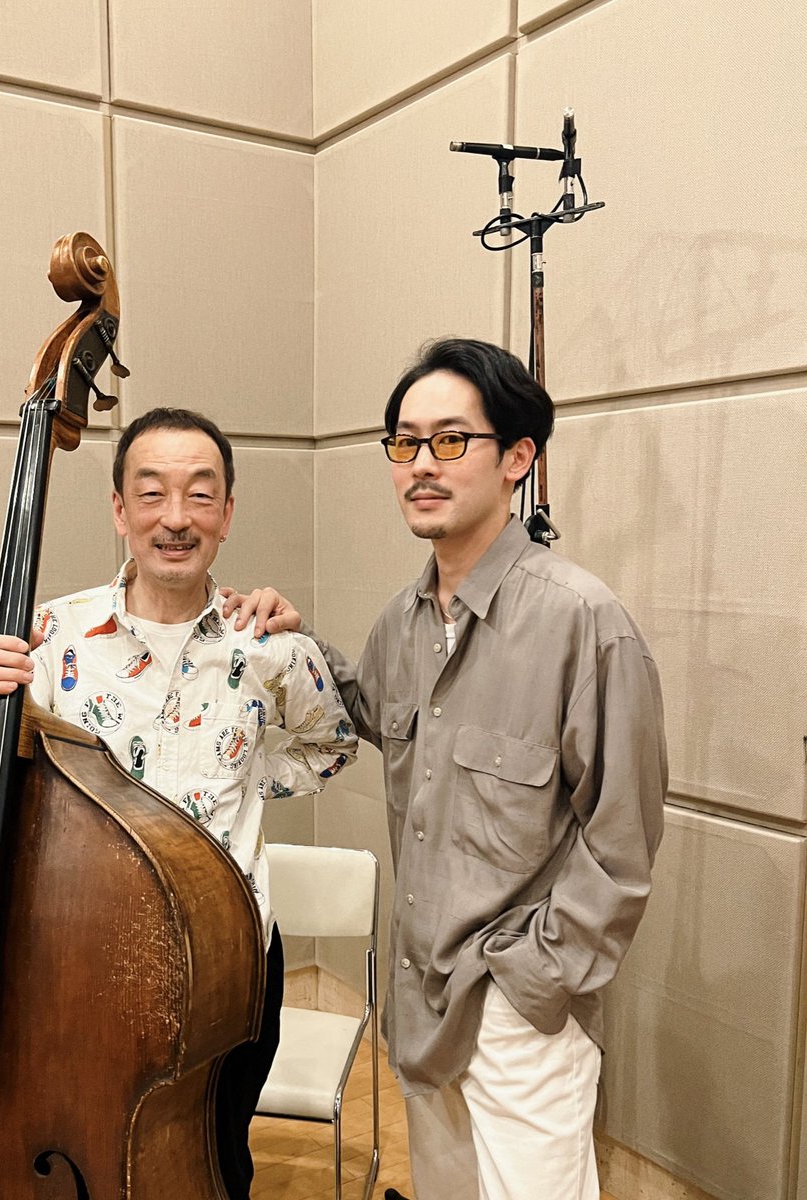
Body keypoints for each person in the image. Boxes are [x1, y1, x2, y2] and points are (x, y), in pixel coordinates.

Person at [225, 339, 668, 1200]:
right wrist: (296, 638)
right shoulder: (403, 623)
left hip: (519, 1015)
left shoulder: (584, 622)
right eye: (405, 442)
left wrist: (530, 982)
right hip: (421, 999)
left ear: (517, 458)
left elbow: (622, 843)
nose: (421, 464)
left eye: (451, 439)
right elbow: (371, 712)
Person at [0, 407, 358, 1200]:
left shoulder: (273, 648)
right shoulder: (49, 637)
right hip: (77, 953)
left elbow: (331, 744)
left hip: (227, 957)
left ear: (227, 513)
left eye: (200, 494)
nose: (176, 518)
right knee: (78, 1141)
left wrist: (242, 777)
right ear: (120, 510)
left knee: (217, 1159)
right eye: (152, 492)